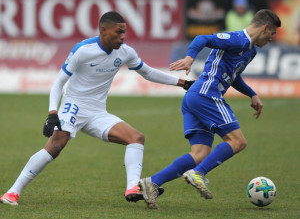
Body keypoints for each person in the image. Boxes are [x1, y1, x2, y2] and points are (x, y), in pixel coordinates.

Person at [0, 11, 194, 206]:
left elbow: (148, 72)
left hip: (97, 112)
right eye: (118, 32)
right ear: (103, 30)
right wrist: (52, 112)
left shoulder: (126, 51)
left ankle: (132, 187)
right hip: (74, 105)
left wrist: (182, 83)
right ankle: (12, 193)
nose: (122, 37)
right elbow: (58, 83)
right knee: (56, 145)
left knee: (136, 138)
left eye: (124, 32)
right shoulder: (83, 50)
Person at [138, 9, 281, 209]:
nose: (272, 39)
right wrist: (189, 58)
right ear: (265, 27)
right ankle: (198, 173)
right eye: (272, 33)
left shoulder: (251, 50)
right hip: (206, 94)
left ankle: (152, 182)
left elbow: (234, 76)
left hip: (195, 98)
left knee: (200, 154)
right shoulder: (237, 39)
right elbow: (201, 38)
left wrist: (252, 94)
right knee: (238, 141)